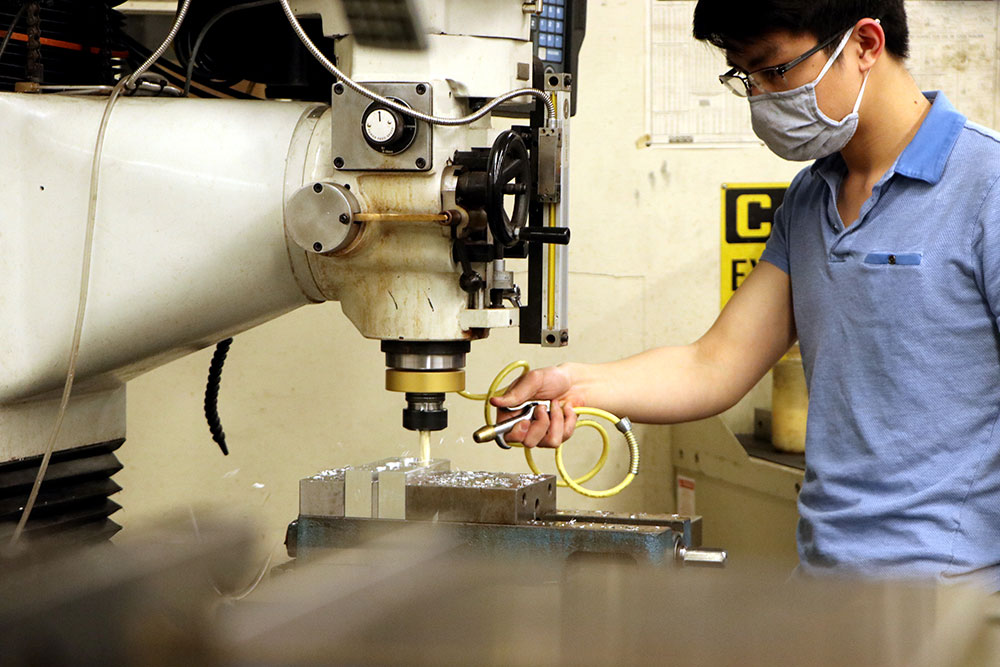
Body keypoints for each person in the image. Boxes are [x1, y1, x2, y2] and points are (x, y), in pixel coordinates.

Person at [495, 0, 1000, 589]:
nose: (762, 98)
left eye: (775, 71)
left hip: (956, 602)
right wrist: (574, 387)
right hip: (825, 585)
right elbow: (714, 364)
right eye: (745, 78)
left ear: (864, 44)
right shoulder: (810, 199)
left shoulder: (985, 187)